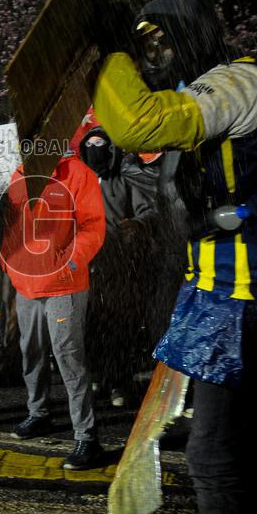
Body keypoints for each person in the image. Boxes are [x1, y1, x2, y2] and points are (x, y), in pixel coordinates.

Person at [92, 0, 257, 514]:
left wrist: (109, 56)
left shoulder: (238, 81)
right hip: (222, 289)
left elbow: (140, 124)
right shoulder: (202, 87)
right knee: (244, 440)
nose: (151, 55)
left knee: (212, 454)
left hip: (249, 293)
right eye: (143, 45)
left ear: (192, 36)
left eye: (161, 40)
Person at [0, 154, 106, 468]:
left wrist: (67, 263)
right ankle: (38, 414)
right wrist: (13, 267)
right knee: (31, 352)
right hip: (27, 284)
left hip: (64, 286)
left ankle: (87, 438)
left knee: (68, 358)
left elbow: (93, 226)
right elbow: (12, 225)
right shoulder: (18, 172)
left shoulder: (77, 172)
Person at [78, 127, 155, 407]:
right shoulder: (76, 183)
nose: (95, 149)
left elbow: (146, 211)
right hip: (86, 265)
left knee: (120, 324)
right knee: (91, 321)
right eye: (91, 144)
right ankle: (97, 376)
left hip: (118, 263)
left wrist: (136, 225)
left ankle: (120, 382)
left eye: (101, 144)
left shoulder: (123, 182)